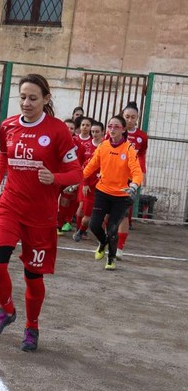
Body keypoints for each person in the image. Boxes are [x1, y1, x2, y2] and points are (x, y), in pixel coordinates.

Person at [0, 74, 82, 352]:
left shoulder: (57, 131)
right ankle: (6, 310)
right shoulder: (8, 126)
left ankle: (32, 327)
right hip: (10, 204)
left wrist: (56, 179)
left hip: (41, 215)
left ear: (46, 99)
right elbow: (4, 155)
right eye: (23, 97)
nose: (26, 103)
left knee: (32, 275)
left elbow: (75, 172)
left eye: (33, 98)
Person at [84, 115, 143, 270]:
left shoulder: (129, 148)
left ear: (123, 129)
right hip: (102, 192)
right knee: (94, 224)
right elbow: (91, 166)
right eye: (110, 126)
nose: (112, 129)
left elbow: (137, 171)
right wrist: (76, 178)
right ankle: (102, 243)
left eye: (116, 126)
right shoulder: (103, 146)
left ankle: (111, 259)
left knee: (112, 228)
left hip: (122, 196)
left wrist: (134, 185)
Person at [116, 101, 148, 259]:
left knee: (123, 212)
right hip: (113, 176)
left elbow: (142, 155)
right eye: (127, 116)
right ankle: (107, 240)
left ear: (137, 118)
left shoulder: (142, 136)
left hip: (131, 180)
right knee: (108, 213)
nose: (129, 120)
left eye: (132, 117)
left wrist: (142, 174)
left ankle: (120, 248)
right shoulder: (114, 132)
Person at [73, 120, 105, 242]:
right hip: (86, 181)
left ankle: (101, 235)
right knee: (82, 207)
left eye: (97, 132)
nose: (95, 134)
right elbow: (82, 165)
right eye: (93, 132)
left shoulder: (106, 146)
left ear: (102, 133)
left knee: (103, 212)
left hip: (102, 185)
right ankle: (80, 230)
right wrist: (84, 182)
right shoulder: (85, 146)